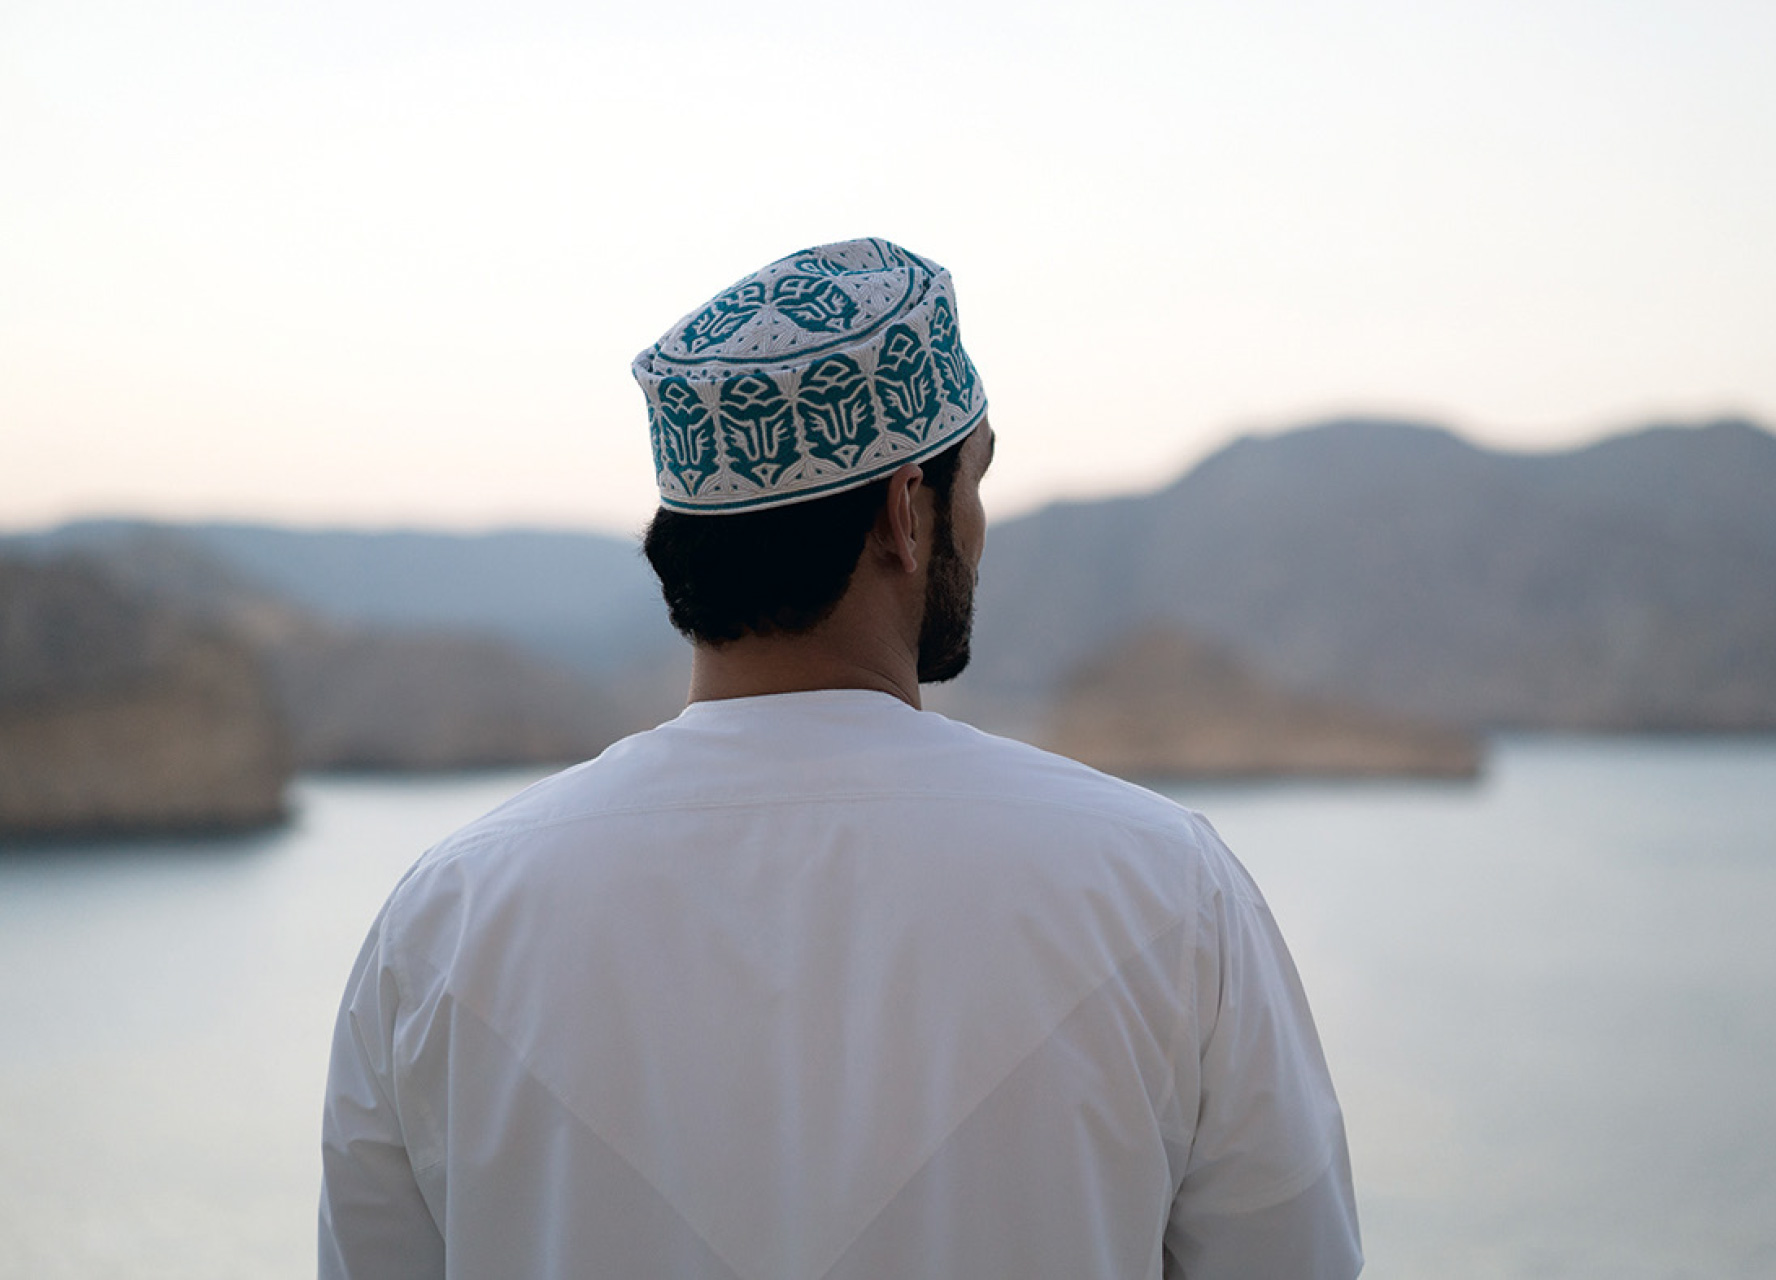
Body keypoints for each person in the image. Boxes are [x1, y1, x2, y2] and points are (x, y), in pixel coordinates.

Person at [318, 237, 1362, 1279]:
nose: (980, 525)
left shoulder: (446, 920)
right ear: (907, 512)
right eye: (973, 480)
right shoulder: (1165, 887)